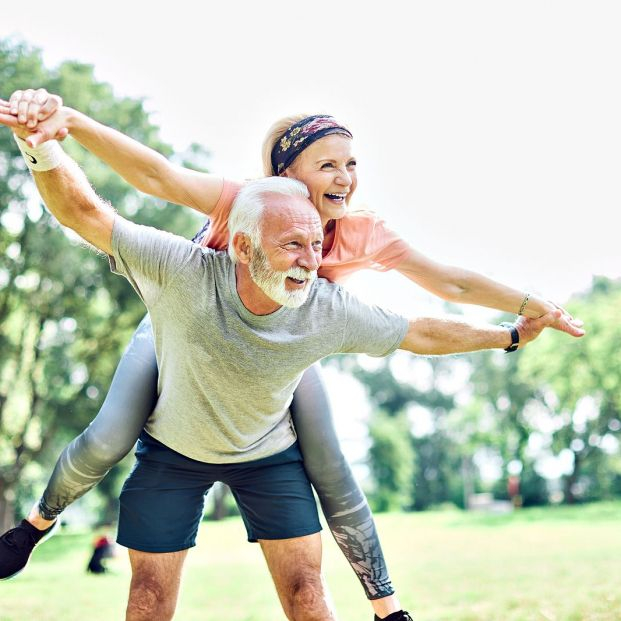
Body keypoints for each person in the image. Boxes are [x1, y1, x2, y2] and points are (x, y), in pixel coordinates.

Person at [0, 91, 584, 620]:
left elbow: (446, 288)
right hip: (183, 336)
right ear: (285, 175)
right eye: (327, 164)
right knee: (107, 437)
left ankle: (388, 610)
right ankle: (36, 525)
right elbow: (155, 176)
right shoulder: (241, 203)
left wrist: (528, 311)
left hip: (286, 347)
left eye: (351, 163)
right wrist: (66, 126)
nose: (345, 177)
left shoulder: (359, 236)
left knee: (330, 467)